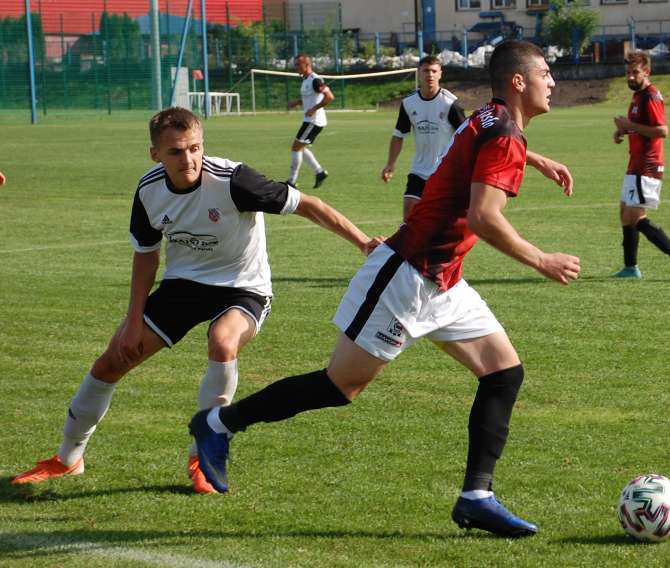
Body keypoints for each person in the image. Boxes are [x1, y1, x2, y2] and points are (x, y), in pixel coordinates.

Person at [189, 40, 581, 537]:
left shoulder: (491, 119)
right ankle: (219, 424)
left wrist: (535, 159)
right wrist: (541, 259)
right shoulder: (502, 130)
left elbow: (479, 140)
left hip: (444, 282)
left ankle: (476, 497)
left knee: (503, 374)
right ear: (519, 82)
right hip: (406, 276)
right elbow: (485, 217)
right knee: (340, 386)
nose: (554, 82)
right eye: (546, 72)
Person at [12, 107, 380, 494]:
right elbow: (146, 254)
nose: (187, 158)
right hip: (183, 287)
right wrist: (133, 320)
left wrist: (362, 242)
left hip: (243, 286)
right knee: (109, 364)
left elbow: (309, 205)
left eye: (194, 148)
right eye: (175, 151)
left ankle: (203, 454)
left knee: (223, 342)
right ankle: (67, 459)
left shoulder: (235, 181)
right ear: (155, 153)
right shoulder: (149, 190)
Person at [612, 51, 670, 282]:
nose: (630, 77)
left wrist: (628, 124)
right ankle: (630, 268)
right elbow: (640, 127)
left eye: (634, 72)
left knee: (635, 216)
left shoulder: (650, 96)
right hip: (635, 164)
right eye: (627, 73)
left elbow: (661, 130)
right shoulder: (638, 97)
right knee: (625, 214)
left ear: (646, 72)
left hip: (647, 166)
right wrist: (623, 130)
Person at [381, 55, 466, 221]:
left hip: (444, 171)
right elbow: (399, 135)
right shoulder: (409, 103)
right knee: (409, 212)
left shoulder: (450, 104)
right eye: (426, 71)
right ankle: (409, 246)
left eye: (434, 71)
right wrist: (390, 164)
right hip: (419, 170)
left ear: (440, 73)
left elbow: (467, 134)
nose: (430, 75)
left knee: (442, 219)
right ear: (419, 73)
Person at [287, 54, 334, 189]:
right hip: (309, 120)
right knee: (300, 147)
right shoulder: (306, 80)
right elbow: (310, 97)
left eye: (298, 65)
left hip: (314, 121)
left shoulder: (315, 80)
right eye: (295, 65)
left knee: (296, 147)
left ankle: (292, 182)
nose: (296, 67)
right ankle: (319, 172)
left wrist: (314, 108)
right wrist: (297, 102)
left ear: (307, 65)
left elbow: (330, 97)